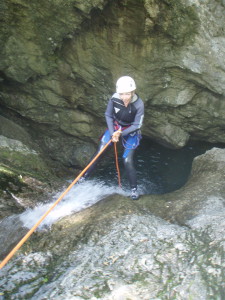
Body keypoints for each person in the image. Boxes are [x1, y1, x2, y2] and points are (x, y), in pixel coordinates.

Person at [81, 76, 144, 200]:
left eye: (127, 94)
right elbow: (108, 114)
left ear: (133, 92)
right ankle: (83, 177)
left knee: (127, 160)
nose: (124, 97)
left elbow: (137, 124)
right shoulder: (115, 99)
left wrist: (120, 134)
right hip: (115, 127)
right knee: (100, 152)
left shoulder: (138, 104)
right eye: (122, 94)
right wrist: (112, 132)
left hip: (130, 131)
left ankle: (133, 189)